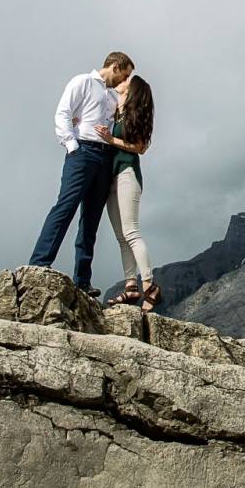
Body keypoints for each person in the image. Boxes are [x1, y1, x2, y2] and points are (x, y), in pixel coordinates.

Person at [28, 52, 133, 296]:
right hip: (83, 152)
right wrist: (71, 145)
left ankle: (82, 280)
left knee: (91, 220)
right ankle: (39, 263)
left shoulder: (111, 95)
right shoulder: (83, 82)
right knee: (65, 207)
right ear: (115, 66)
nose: (124, 80)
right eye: (125, 74)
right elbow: (63, 112)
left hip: (104, 157)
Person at [95, 72, 159, 311]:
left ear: (131, 91)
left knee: (131, 231)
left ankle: (150, 285)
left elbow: (140, 148)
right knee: (121, 236)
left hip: (127, 173)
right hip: (111, 176)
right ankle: (131, 286)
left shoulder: (134, 115)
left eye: (125, 82)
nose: (120, 82)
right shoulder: (115, 111)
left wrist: (111, 140)